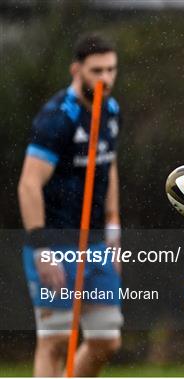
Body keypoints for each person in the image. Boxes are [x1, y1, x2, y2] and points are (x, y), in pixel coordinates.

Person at [18, 33, 123, 377]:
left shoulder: (111, 110)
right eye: (97, 70)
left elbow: (108, 166)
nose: (105, 78)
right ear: (76, 70)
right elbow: (29, 184)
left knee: (107, 341)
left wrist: (112, 225)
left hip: (95, 243)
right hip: (56, 242)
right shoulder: (56, 119)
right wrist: (40, 248)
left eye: (111, 70)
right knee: (56, 340)